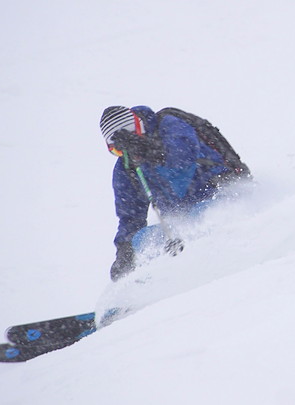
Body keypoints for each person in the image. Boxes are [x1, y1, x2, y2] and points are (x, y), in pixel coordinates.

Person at [99, 105, 250, 281]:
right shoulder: (127, 167)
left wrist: (148, 149)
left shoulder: (169, 125)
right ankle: (144, 287)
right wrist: (124, 251)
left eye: (127, 144)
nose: (126, 153)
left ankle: (225, 261)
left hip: (221, 197)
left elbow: (182, 161)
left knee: (202, 218)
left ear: (138, 129)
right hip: (182, 220)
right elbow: (130, 217)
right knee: (142, 242)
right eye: (117, 150)